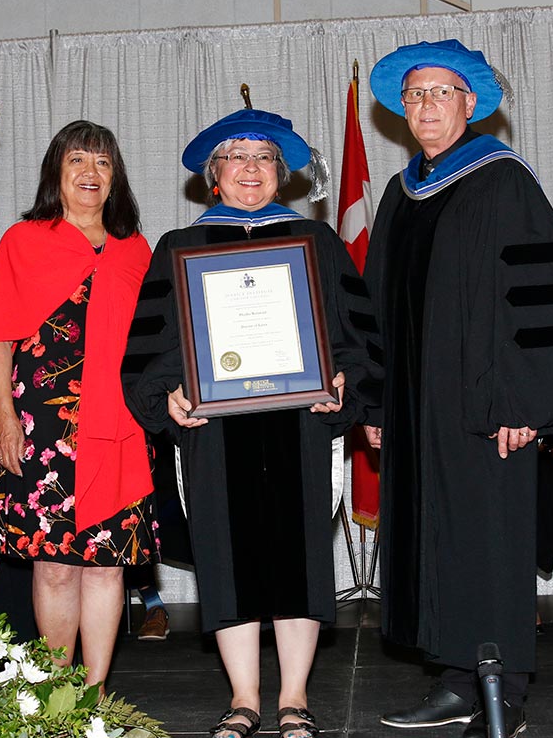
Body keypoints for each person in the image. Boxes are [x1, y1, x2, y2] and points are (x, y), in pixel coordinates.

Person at [362, 40, 553, 737]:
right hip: (415, 410)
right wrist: (375, 403)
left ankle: (507, 691)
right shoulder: (402, 195)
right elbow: (375, 305)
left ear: (471, 103)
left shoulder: (503, 182)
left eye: (440, 93)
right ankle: (457, 680)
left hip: (487, 409)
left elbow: (536, 300)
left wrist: (525, 403)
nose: (425, 106)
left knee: (490, 545)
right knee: (437, 542)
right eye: (413, 95)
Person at [122, 108, 375, 738]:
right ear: (215, 175)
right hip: (216, 431)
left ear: (281, 174)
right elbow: (152, 348)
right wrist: (167, 396)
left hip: (302, 426)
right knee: (225, 555)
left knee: (301, 556)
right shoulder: (180, 247)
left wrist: (346, 382)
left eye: (263, 157)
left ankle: (294, 699)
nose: (251, 169)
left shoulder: (319, 244)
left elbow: (355, 339)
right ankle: (243, 699)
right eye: (236, 157)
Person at [0, 120, 157, 687]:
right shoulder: (23, 241)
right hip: (42, 427)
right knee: (54, 567)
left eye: (102, 163)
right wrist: (4, 419)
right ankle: (57, 693)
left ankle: (95, 695)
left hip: (120, 428)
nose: (89, 173)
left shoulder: (136, 250)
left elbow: (156, 343)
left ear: (115, 178)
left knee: (106, 567)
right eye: (77, 159)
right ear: (57, 171)